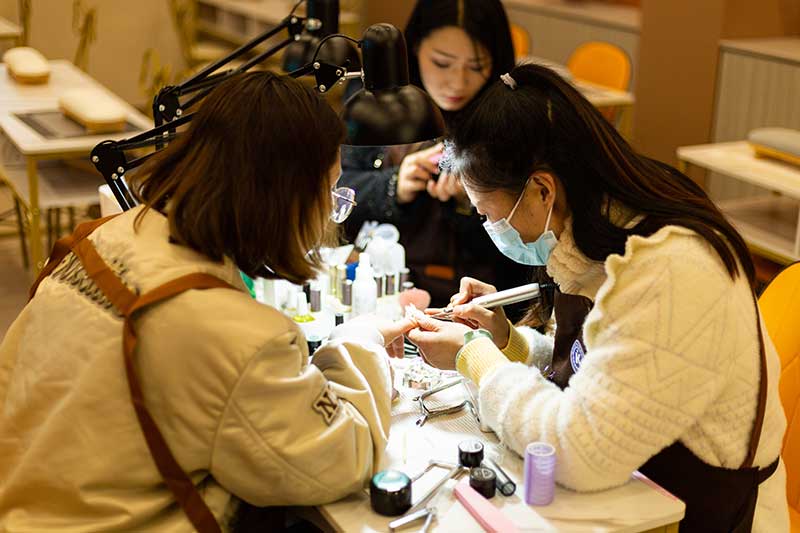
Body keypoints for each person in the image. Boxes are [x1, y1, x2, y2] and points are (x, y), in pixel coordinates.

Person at [0, 72, 413, 532]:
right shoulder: (234, 335)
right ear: (287, 199)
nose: (330, 215)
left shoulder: (104, 236)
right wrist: (360, 341)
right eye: (331, 192)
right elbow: (341, 459)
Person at [407, 64, 789, 532]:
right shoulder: (596, 237)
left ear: (542, 190)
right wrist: (506, 341)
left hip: (703, 516)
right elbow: (600, 369)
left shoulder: (668, 270)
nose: (490, 228)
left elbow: (578, 453)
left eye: (489, 214)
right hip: (637, 490)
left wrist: (474, 357)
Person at [339, 0, 530, 310]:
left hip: (469, 300)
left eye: (476, 66)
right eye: (442, 63)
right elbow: (336, 191)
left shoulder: (509, 119)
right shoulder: (375, 101)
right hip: (376, 287)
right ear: (414, 47)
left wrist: (474, 204)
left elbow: (524, 253)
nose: (458, 82)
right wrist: (393, 185)